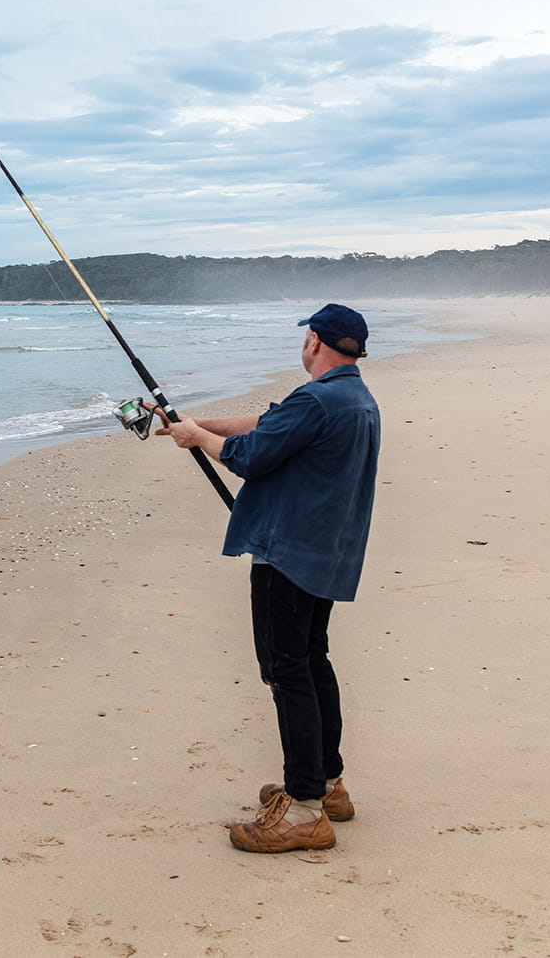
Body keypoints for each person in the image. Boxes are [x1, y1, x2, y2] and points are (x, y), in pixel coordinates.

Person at [159, 303, 380, 853]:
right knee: (311, 660)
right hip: (325, 552)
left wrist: (200, 442)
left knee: (287, 671)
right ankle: (327, 785)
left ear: (314, 342)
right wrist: (194, 424)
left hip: (290, 553)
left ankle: (304, 808)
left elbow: (248, 456)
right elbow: (266, 425)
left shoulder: (320, 399)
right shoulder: (352, 397)